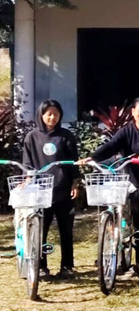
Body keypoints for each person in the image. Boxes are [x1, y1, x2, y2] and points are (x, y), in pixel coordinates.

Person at [90, 96, 139, 276]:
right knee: (136, 218)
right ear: (133, 112)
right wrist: (93, 158)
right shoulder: (126, 131)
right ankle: (134, 259)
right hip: (134, 179)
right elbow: (111, 145)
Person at [22, 99, 80, 279]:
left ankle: (67, 266)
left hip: (63, 189)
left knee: (66, 229)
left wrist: (75, 182)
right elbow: (27, 163)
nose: (52, 117)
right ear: (41, 115)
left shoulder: (66, 136)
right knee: (41, 230)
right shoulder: (32, 136)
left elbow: (74, 161)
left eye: (56, 114)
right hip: (41, 191)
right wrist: (27, 180)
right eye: (49, 114)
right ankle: (41, 267)